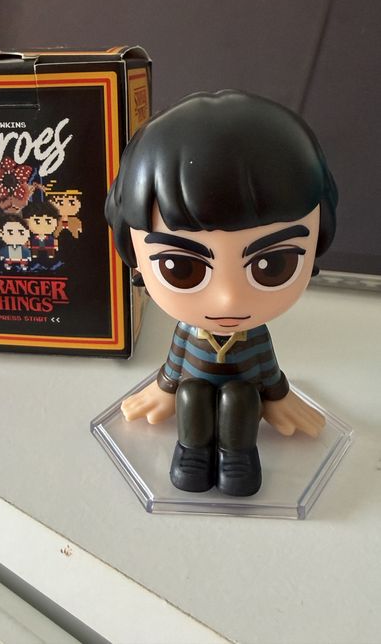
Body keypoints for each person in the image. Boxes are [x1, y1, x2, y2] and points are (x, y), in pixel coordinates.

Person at [105, 91, 338, 496]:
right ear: (135, 259)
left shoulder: (253, 336)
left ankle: (238, 455)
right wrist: (163, 390)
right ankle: (192, 451)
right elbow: (176, 367)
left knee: (242, 397)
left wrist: (278, 398)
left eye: (273, 265)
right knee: (192, 392)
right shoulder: (189, 333)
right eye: (181, 268)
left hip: (245, 395)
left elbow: (267, 370)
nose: (228, 299)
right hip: (192, 391)